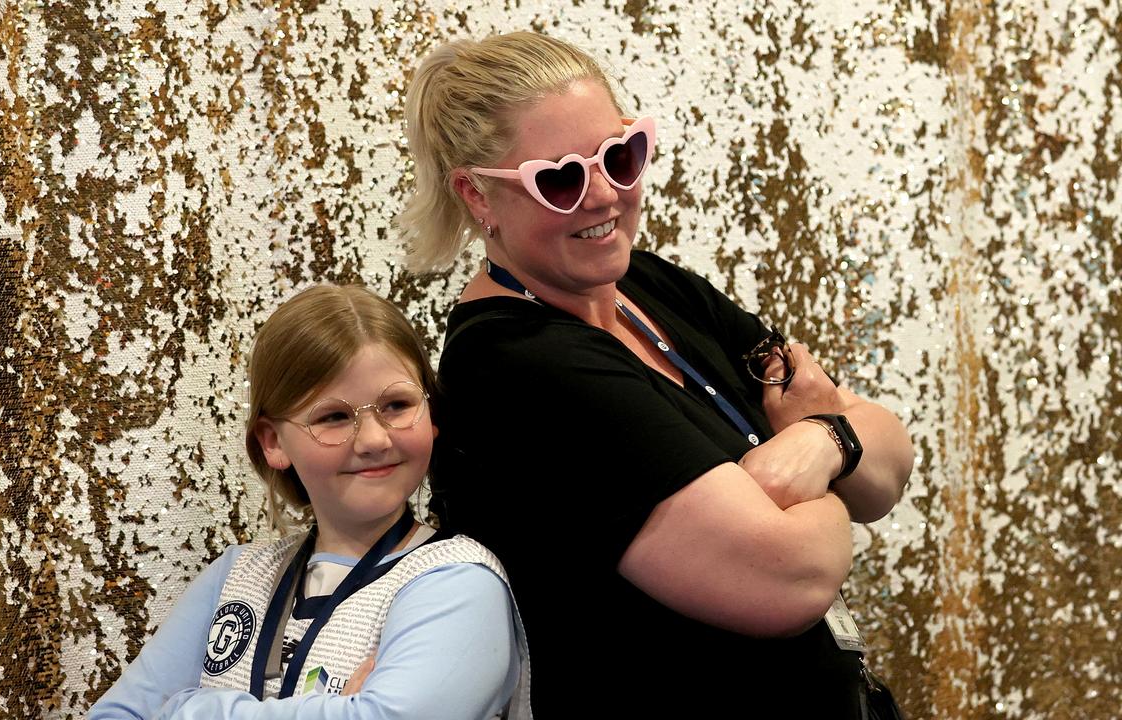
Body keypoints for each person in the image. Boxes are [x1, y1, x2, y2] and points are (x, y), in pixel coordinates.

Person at [399, 31, 914, 716]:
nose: (605, 196)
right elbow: (789, 579)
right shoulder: (519, 364)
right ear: (478, 196)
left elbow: (888, 468)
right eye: (560, 178)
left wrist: (823, 442)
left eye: (621, 155)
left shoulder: (641, 282)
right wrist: (826, 462)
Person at [89, 284, 529, 720]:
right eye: (334, 416)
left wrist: (189, 708)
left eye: (396, 405)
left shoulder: (459, 581)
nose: (375, 439)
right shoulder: (236, 577)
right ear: (273, 442)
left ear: (432, 416)